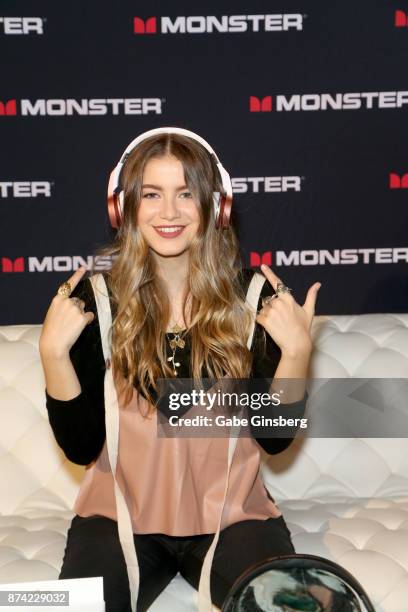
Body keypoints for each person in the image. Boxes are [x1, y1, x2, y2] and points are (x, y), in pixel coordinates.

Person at [39, 128, 320, 612]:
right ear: (124, 207)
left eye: (186, 194)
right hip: (119, 517)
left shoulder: (255, 297)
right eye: (151, 194)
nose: (168, 213)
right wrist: (52, 355)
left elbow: (273, 441)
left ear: (216, 206)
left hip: (234, 517)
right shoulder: (95, 301)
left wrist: (294, 355)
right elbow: (80, 446)